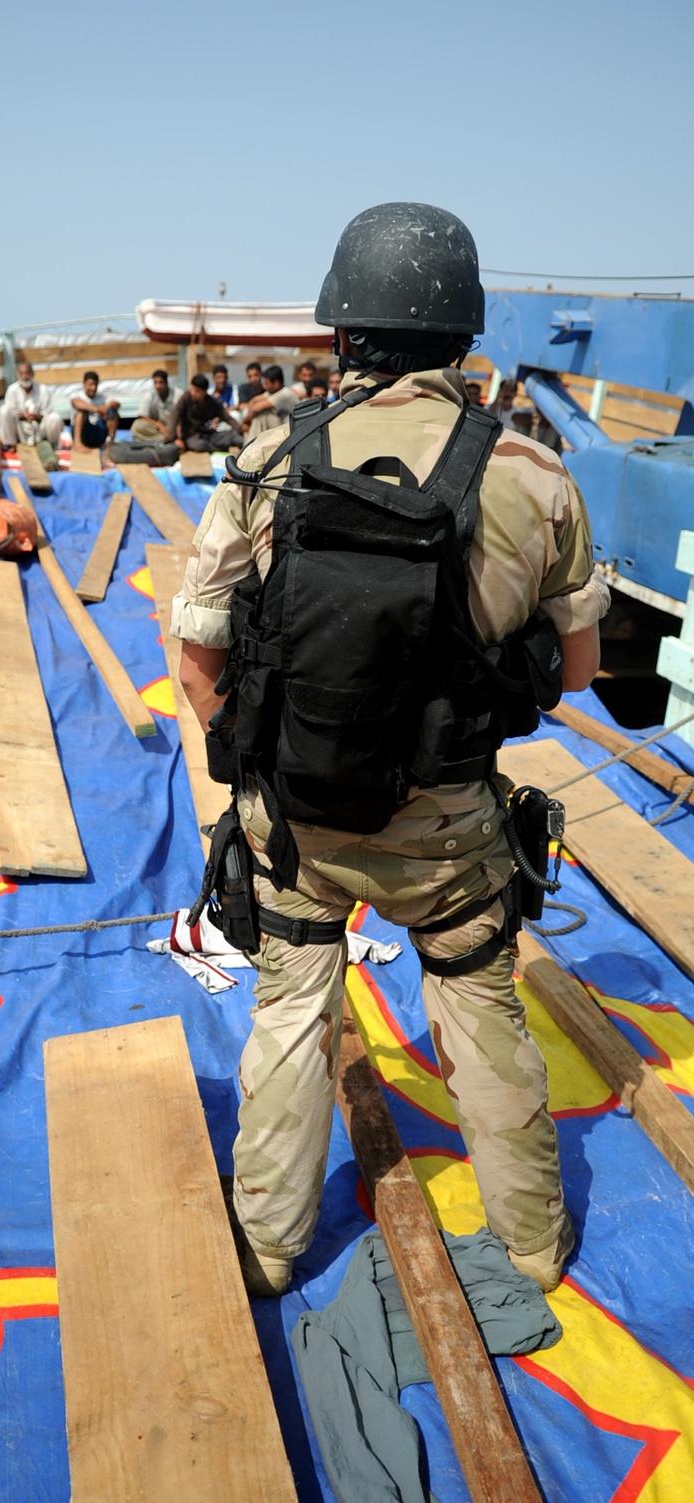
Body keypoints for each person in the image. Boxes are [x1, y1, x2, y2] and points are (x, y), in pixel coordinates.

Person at [173, 200, 609, 1301]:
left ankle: (270, 1249)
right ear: (463, 334)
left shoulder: (267, 460)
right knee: (480, 1003)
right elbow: (576, 671)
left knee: (288, 1009)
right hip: (450, 826)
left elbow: (198, 657)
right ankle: (529, 1246)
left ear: (338, 331)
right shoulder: (535, 472)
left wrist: (268, 755)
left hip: (299, 821)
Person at [165, 374, 243, 452]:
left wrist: (239, 429)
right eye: (192, 389)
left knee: (233, 436)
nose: (193, 393)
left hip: (207, 433)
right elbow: (174, 415)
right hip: (191, 436)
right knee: (200, 445)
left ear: (204, 392)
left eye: (196, 391)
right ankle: (221, 447)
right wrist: (173, 438)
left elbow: (226, 417)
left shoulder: (212, 402)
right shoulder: (186, 398)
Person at [0, 362, 64, 450]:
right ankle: (10, 444)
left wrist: (35, 416)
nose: (24, 376)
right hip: (19, 428)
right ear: (17, 375)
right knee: (4, 410)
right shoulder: (12, 390)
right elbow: (10, 412)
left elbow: (47, 413)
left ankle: (50, 444)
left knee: (55, 418)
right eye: (21, 373)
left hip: (38, 429)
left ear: (32, 374)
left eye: (27, 373)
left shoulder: (43, 390)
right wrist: (23, 415)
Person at [241, 365, 299, 440]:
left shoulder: (285, 394)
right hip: (281, 427)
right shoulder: (273, 392)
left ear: (276, 383)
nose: (264, 386)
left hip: (290, 430)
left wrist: (245, 421)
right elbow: (254, 401)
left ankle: (251, 444)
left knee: (263, 414)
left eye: (267, 383)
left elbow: (256, 408)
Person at [130, 369, 183, 445]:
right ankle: (168, 439)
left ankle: (171, 438)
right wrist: (159, 425)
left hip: (175, 426)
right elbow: (142, 416)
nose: (158, 386)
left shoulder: (178, 394)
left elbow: (184, 416)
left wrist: (174, 427)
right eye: (155, 383)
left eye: (161, 383)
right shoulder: (150, 395)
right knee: (136, 426)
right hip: (159, 429)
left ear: (166, 382)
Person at [71, 371, 120, 450]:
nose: (93, 388)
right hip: (84, 433)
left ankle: (110, 443)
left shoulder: (102, 396)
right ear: (84, 384)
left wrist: (107, 407)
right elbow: (76, 403)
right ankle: (77, 443)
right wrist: (97, 409)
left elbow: (116, 403)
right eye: (90, 384)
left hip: (98, 431)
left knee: (113, 412)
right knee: (81, 413)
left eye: (95, 385)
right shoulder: (77, 395)